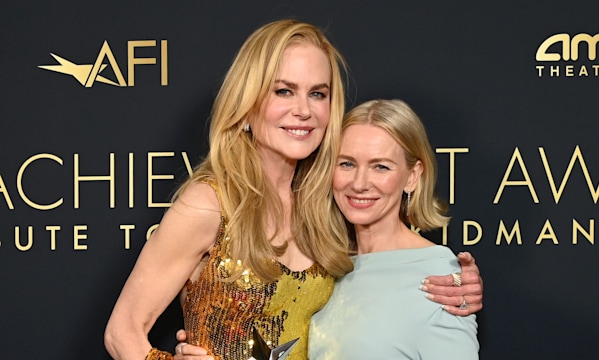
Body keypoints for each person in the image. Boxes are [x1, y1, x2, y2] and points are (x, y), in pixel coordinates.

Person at [104, 20, 482, 360]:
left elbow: (383, 277)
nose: (303, 110)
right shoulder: (211, 203)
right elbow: (122, 334)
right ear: (248, 103)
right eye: (284, 91)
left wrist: (458, 283)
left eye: (318, 94)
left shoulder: (327, 206)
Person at [308, 99, 479, 359]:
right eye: (347, 164)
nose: (359, 183)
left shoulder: (441, 278)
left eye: (381, 167)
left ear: (412, 176)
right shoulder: (326, 265)